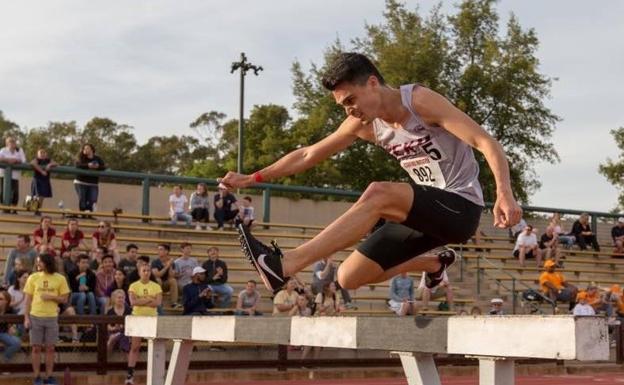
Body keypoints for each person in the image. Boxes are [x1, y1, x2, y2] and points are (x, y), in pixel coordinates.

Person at [222, 52, 521, 292]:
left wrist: (504, 194)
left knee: (379, 192)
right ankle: (433, 264)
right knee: (349, 278)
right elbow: (308, 153)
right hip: (424, 215)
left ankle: (286, 264)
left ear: (373, 84)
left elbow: (485, 141)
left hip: (460, 208)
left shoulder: (418, 102)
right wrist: (252, 178)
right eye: (342, 106)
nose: (349, 111)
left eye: (351, 100)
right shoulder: (365, 124)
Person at [23, 253, 71, 385]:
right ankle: (37, 376)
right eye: (37, 262)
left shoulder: (60, 278)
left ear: (48, 262)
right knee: (36, 348)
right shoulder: (33, 277)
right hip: (35, 316)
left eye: (40, 262)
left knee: (50, 349)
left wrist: (50, 297)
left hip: (51, 318)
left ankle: (49, 376)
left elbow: (65, 298)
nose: (38, 264)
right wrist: (26, 317)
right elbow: (27, 300)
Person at [127, 264, 162, 385]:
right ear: (139, 272)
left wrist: (141, 301)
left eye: (148, 270)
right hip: (138, 318)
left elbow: (157, 303)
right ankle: (130, 375)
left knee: (154, 347)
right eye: (144, 270)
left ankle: (155, 375)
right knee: (135, 347)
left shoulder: (156, 286)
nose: (146, 272)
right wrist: (148, 299)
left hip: (152, 319)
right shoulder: (134, 286)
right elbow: (133, 302)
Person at [73, 143, 106, 213]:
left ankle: (89, 214)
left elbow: (103, 167)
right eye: (84, 149)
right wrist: (88, 165)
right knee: (82, 199)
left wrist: (97, 166)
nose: (85, 150)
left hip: (93, 183)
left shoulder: (97, 158)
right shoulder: (81, 157)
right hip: (81, 182)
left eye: (87, 148)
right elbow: (77, 165)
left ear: (92, 150)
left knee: (93, 200)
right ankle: (83, 214)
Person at [0, 136, 27, 208]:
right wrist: (8, 160)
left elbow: (24, 161)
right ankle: (4, 208)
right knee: (3, 191)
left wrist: (16, 160)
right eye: (10, 141)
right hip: (4, 174)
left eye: (14, 141)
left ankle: (14, 208)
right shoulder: (3, 150)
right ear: (7, 143)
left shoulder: (20, 150)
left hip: (15, 175)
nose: (13, 143)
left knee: (15, 192)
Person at [151, 243, 180, 308]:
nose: (158, 251)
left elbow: (171, 276)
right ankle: (158, 302)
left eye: (161, 249)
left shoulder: (171, 262)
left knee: (173, 280)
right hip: (157, 284)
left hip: (166, 284)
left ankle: (174, 303)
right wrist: (167, 266)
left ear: (166, 251)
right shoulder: (155, 262)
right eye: (158, 249)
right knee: (158, 280)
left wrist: (170, 265)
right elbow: (157, 275)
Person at [30, 148, 58, 212]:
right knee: (36, 196)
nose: (42, 154)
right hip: (37, 179)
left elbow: (56, 163)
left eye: (44, 153)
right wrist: (42, 171)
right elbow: (33, 163)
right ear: (37, 154)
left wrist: (50, 165)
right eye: (41, 153)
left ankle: (38, 210)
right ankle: (34, 210)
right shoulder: (37, 159)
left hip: (45, 180)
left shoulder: (48, 160)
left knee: (42, 197)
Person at [106, 289, 131, 354]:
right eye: (119, 298)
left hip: (126, 332)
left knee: (123, 336)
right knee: (119, 336)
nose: (121, 299)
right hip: (113, 331)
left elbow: (132, 325)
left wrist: (124, 327)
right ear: (114, 299)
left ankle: (112, 340)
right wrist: (115, 328)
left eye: (122, 298)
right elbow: (108, 327)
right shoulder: (110, 311)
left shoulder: (129, 310)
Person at [0, 289, 21, 364]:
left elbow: (16, 323)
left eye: (1, 299)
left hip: (4, 333)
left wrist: (13, 327)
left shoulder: (10, 310)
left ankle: (4, 361)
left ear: (6, 301)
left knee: (16, 342)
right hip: (3, 333)